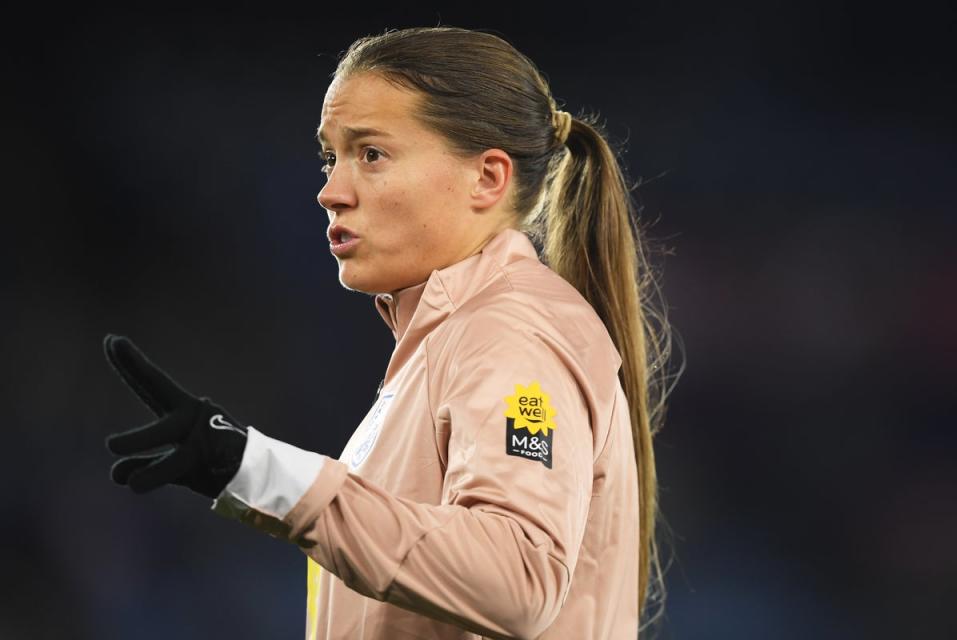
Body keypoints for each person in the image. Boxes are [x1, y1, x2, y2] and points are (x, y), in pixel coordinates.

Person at [103, 26, 676, 639]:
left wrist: (258, 470)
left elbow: (519, 577)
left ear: (488, 178)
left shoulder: (510, 332)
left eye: (370, 154)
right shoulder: (453, 337)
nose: (330, 192)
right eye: (330, 157)